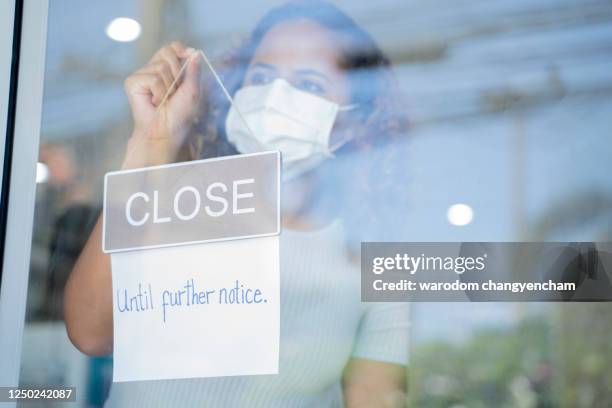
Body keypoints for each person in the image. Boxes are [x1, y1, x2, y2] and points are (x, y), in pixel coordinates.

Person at [64, 1, 410, 406]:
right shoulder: (184, 202)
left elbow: (374, 395)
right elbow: (91, 332)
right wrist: (152, 145)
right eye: (261, 75)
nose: (276, 95)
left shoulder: (374, 260)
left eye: (311, 85)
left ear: (355, 119)